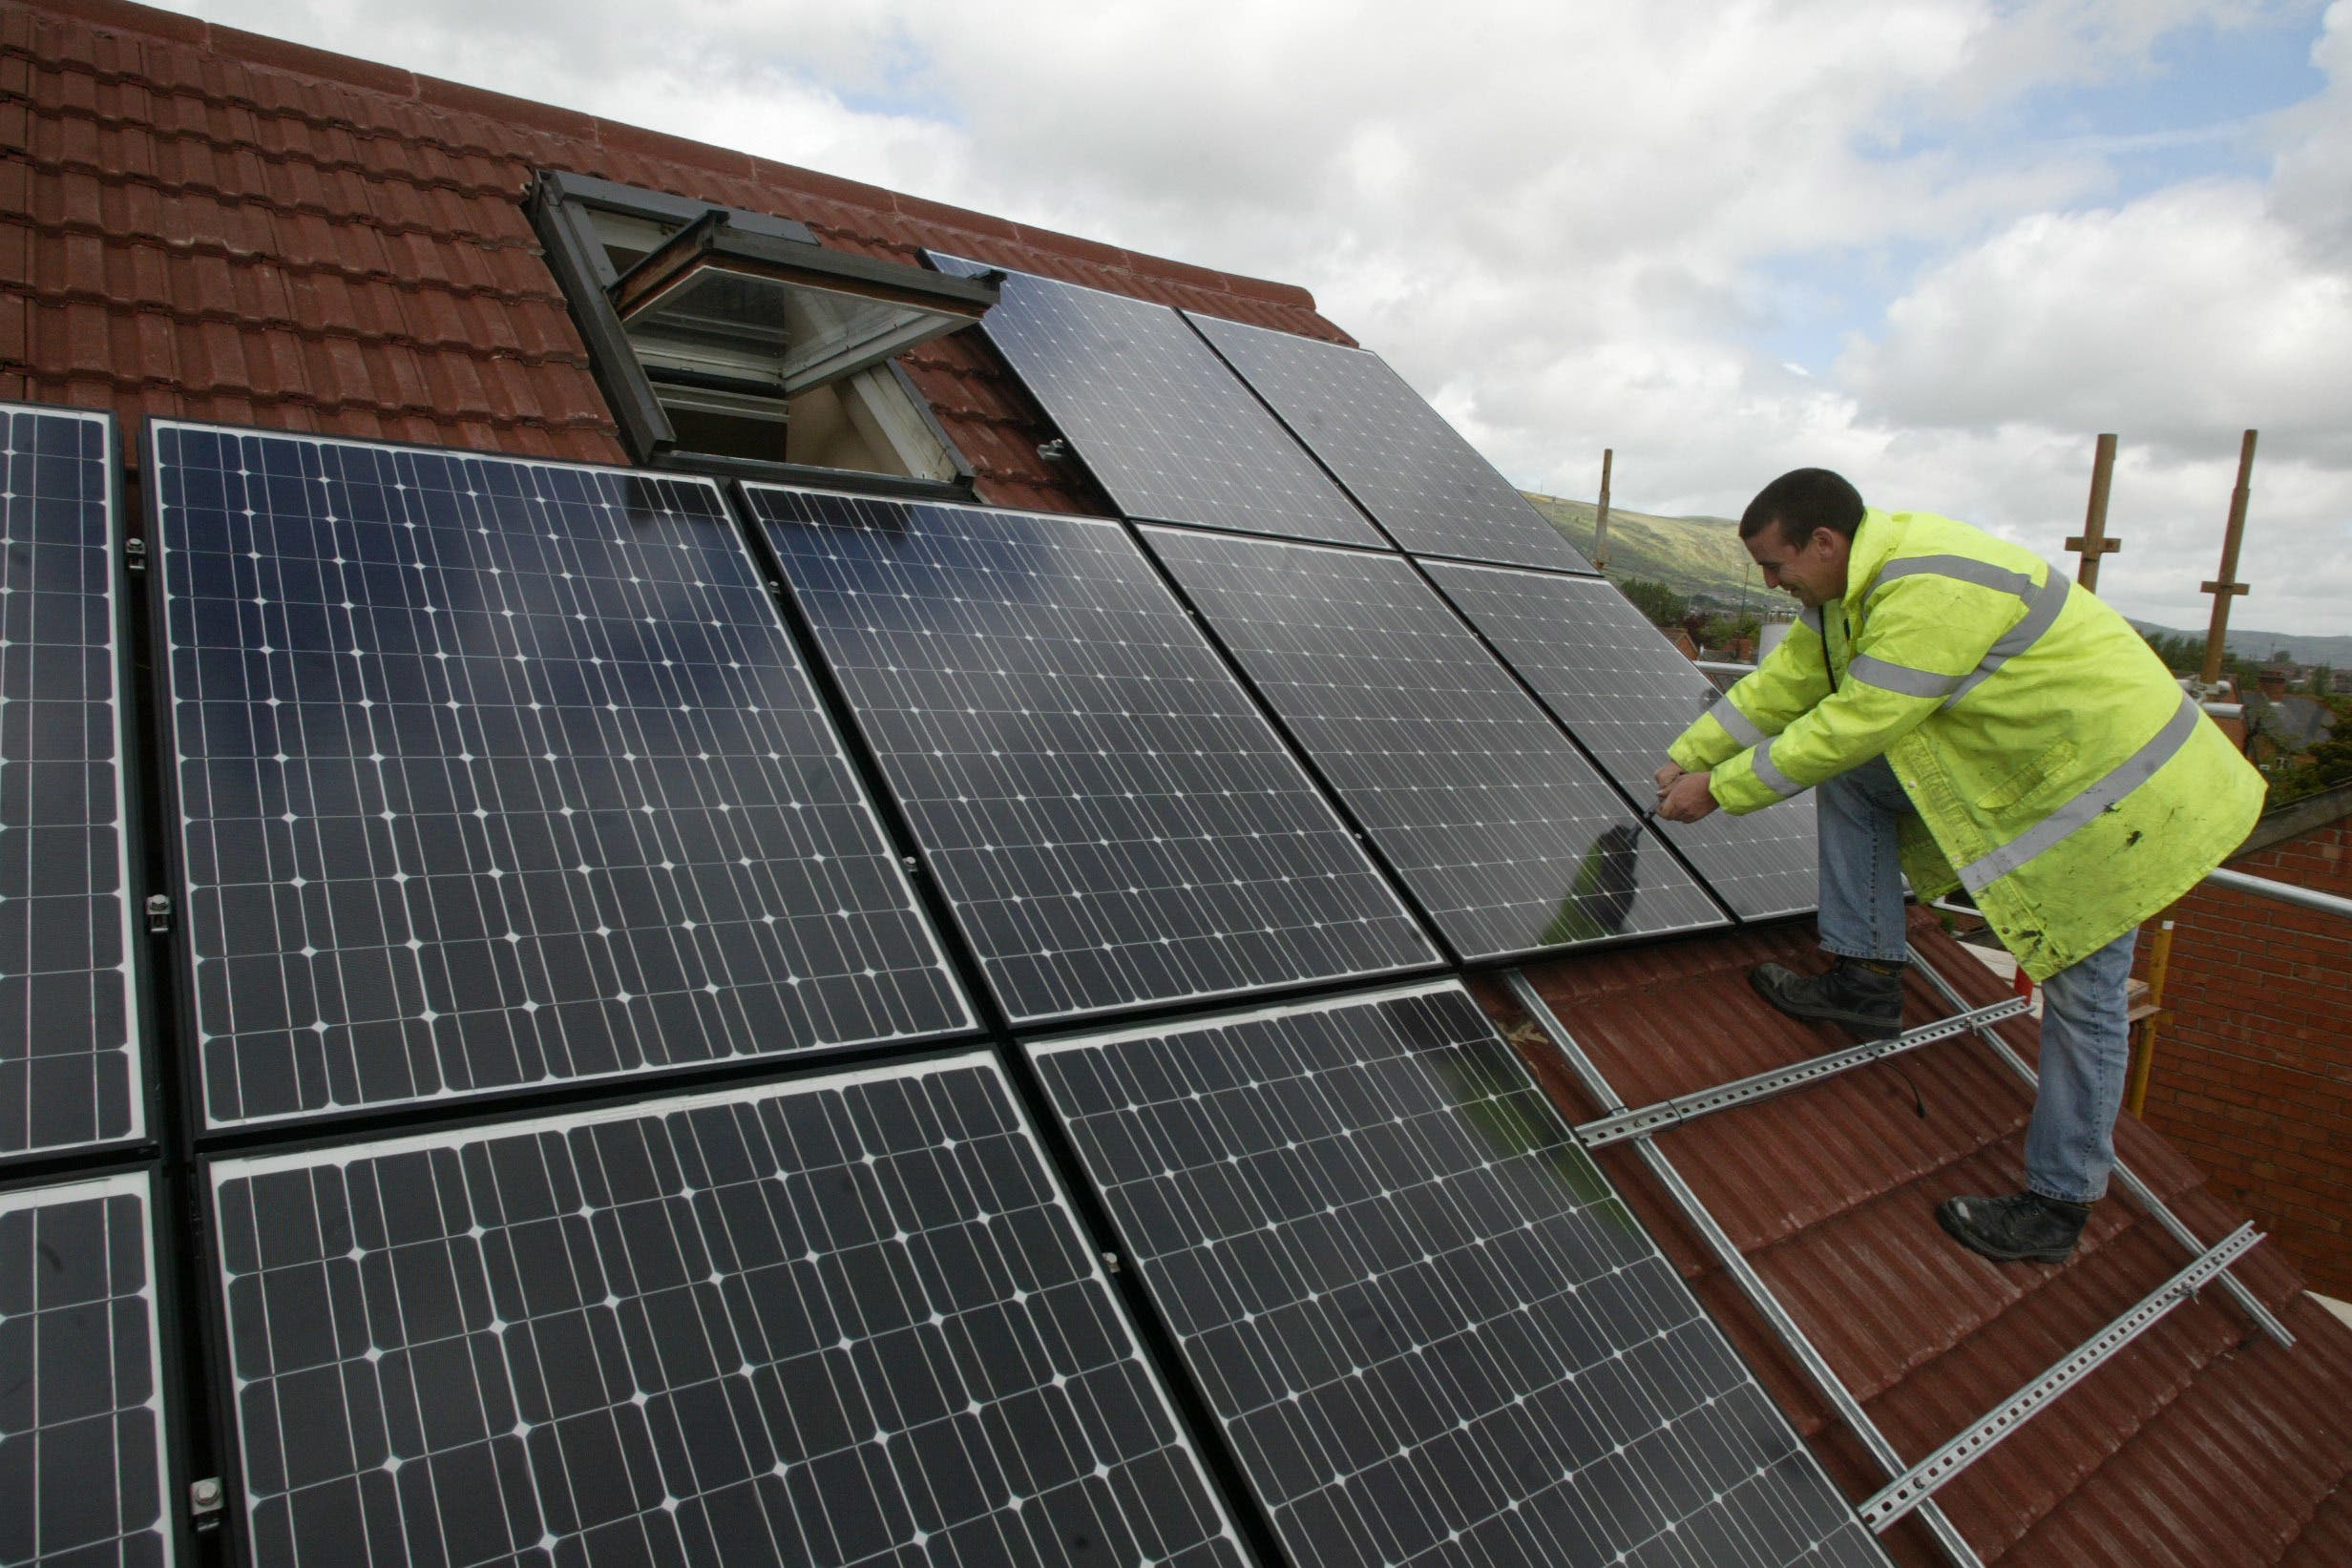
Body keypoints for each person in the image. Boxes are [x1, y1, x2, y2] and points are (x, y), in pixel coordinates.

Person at [1652, 470, 2262, 1265]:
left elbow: (1857, 720)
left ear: (1825, 542)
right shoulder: (1849, 593)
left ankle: (2058, 1202)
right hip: (2056, 774)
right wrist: (1685, 756)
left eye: (1777, 565)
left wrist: (1722, 789)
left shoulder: (1926, 591)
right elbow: (1785, 686)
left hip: (2124, 803)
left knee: (2086, 999)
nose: (1772, 583)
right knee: (1855, 781)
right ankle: (1868, 974)